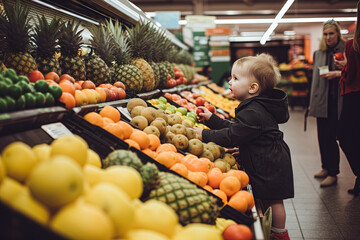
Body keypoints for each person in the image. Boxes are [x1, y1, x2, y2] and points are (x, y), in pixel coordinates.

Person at [194, 53, 294, 240]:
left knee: (274, 199)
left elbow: (233, 135)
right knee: (267, 197)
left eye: (235, 78)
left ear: (253, 87)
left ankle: (280, 234)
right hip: (266, 156)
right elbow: (239, 130)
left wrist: (205, 134)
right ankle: (271, 228)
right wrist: (212, 119)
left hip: (270, 161)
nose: (229, 82)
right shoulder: (253, 106)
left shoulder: (254, 111)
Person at [308, 19, 346, 187]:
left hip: (338, 101)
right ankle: (325, 167)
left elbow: (352, 73)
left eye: (331, 33)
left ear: (338, 33)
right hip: (322, 101)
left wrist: (337, 73)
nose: (328, 37)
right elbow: (315, 81)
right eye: (325, 34)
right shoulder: (319, 53)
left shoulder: (347, 51)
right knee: (322, 136)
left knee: (332, 137)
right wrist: (312, 102)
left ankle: (333, 172)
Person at [337, 0, 360, 196]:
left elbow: (350, 75)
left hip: (354, 96)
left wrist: (343, 68)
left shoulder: (353, 45)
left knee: (344, 136)